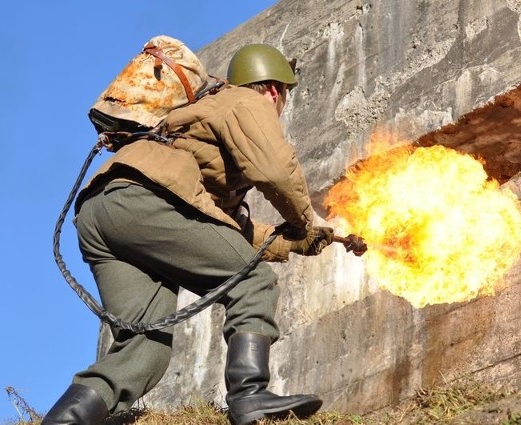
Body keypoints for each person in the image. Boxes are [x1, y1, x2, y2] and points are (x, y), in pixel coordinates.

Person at [42, 44, 334, 425]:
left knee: (145, 348)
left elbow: (219, 229)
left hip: (102, 210)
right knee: (253, 282)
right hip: (147, 200)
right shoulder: (246, 100)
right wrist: (305, 222)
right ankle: (249, 395)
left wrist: (292, 243)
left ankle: (66, 420)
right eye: (282, 95)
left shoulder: (196, 123)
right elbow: (277, 171)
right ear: (274, 89)